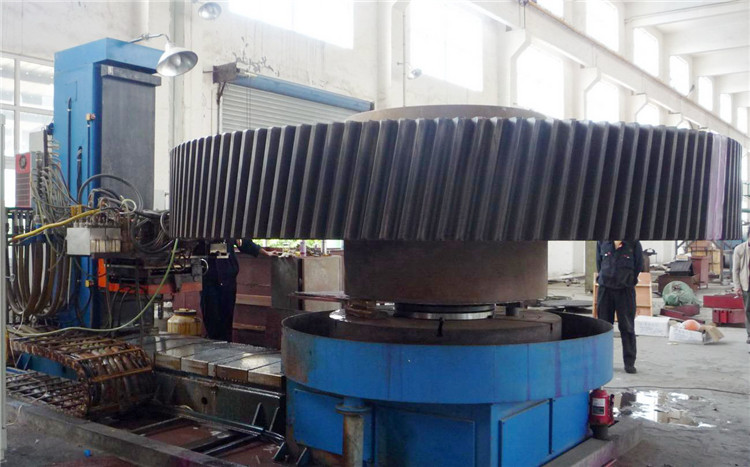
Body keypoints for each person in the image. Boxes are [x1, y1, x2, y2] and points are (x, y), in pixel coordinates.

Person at [200, 239, 276, 341]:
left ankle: (226, 345)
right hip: (208, 279)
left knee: (226, 319)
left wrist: (265, 252)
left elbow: (245, 243)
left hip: (227, 278)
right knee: (211, 317)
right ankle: (213, 344)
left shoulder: (230, 231)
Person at [596, 240, 643, 374]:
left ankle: (629, 363)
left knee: (627, 327)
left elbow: (638, 265)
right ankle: (603, 362)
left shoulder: (633, 243)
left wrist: (628, 280)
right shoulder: (602, 242)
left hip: (625, 290)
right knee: (603, 327)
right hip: (605, 290)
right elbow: (599, 263)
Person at [731, 235, 750, 344]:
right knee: (748, 311)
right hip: (747, 285)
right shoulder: (740, 249)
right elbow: (735, 270)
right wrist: (737, 286)